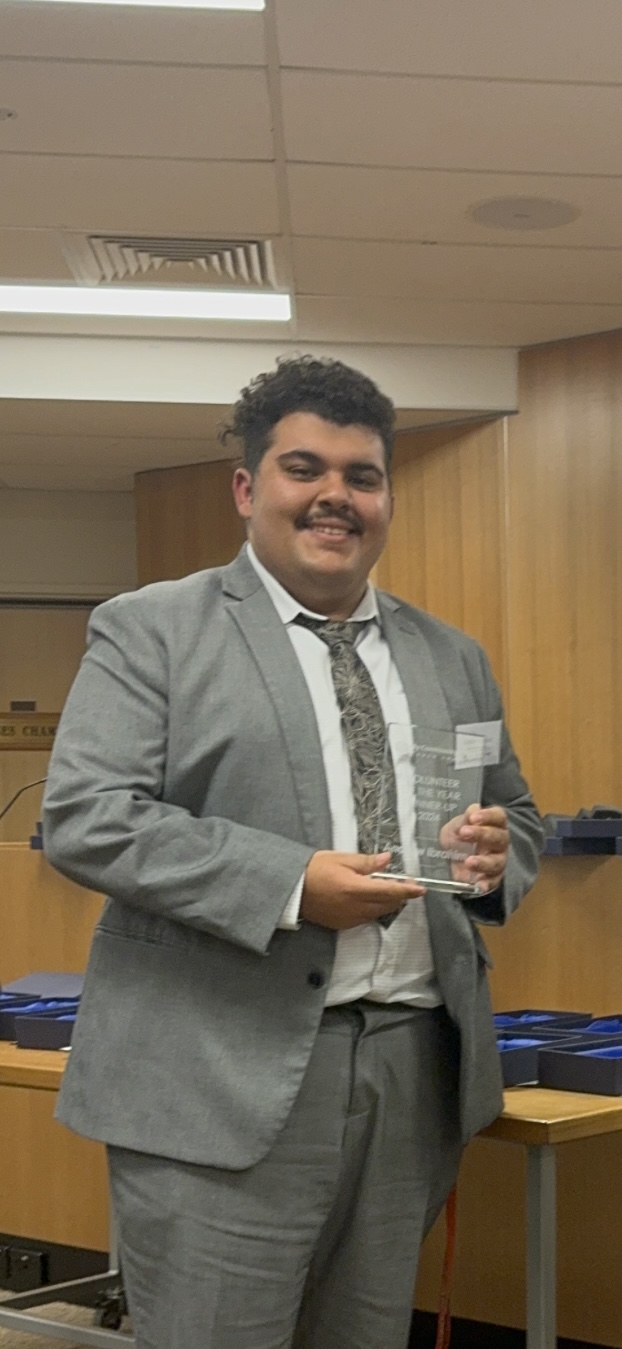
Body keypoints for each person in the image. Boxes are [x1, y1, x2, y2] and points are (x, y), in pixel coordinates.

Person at [43, 355, 542, 1349]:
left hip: (410, 1074)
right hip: (216, 1076)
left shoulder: (452, 655)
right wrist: (289, 883)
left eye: (362, 476)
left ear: (386, 497)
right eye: (303, 468)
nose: (335, 496)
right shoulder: (153, 630)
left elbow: (517, 814)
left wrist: (497, 855)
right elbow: (88, 816)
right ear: (246, 488)